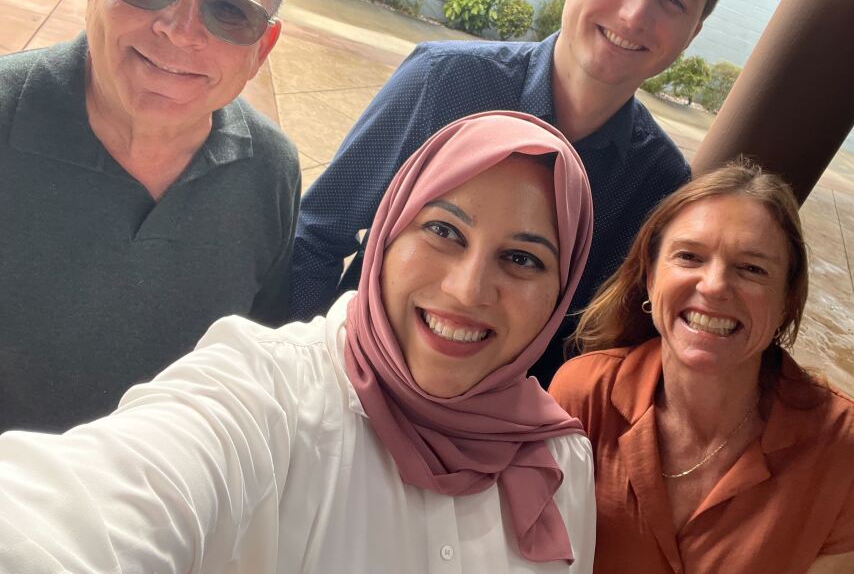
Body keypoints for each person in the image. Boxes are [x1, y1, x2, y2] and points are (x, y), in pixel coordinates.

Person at [0, 112, 597, 574]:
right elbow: (79, 509)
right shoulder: (266, 394)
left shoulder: (564, 463)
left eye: (522, 259)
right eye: (442, 230)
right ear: (386, 235)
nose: (467, 291)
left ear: (560, 292)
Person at [291, 0, 749, 384]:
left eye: (673, 1)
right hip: (356, 383)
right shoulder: (444, 81)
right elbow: (317, 236)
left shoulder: (660, 184)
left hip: (496, 445)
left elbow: (596, 350)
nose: (633, 16)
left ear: (694, 30)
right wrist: (314, 382)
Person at [0, 0, 303, 432]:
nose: (180, 30)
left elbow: (248, 372)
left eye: (230, 11)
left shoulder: (270, 172)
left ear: (261, 49)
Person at [549, 161, 854, 573]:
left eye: (752, 268)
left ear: (787, 299)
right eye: (690, 256)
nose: (714, 286)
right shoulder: (584, 393)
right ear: (650, 278)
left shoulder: (851, 454)